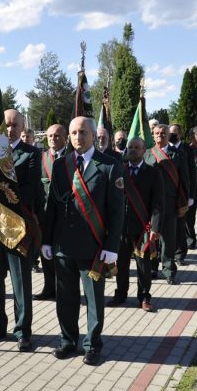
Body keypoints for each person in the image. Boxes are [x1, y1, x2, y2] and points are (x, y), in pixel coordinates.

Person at [42, 116, 124, 366]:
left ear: (93, 135)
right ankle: (68, 341)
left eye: (83, 132)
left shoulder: (109, 165)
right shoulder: (61, 165)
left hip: (94, 247)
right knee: (65, 297)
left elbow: (117, 211)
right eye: (74, 133)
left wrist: (112, 247)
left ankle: (92, 345)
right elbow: (53, 206)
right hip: (63, 245)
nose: (78, 137)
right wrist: (47, 240)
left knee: (93, 299)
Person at [0, 109, 41, 352]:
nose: (10, 129)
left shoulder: (32, 154)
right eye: (6, 124)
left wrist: (5, 200)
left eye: (15, 124)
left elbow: (31, 189)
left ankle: (23, 331)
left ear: (21, 127)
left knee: (21, 282)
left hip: (18, 227)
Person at [106, 137, 163, 311]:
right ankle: (121, 294)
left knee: (143, 265)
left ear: (144, 150)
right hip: (121, 227)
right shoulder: (118, 171)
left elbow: (158, 203)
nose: (132, 150)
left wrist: (154, 228)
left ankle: (144, 297)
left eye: (136, 147)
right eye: (130, 147)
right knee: (121, 264)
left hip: (143, 227)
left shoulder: (153, 172)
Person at [145, 124, 190, 285]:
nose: (160, 135)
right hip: (151, 206)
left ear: (168, 135)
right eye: (157, 133)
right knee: (152, 238)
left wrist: (184, 202)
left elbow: (184, 181)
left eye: (163, 133)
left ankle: (169, 271)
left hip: (170, 203)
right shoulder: (148, 154)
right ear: (153, 134)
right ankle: (152, 268)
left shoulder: (178, 154)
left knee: (169, 240)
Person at [34, 123, 67, 301]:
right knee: (46, 253)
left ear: (65, 138)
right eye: (50, 136)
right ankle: (49, 287)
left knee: (64, 255)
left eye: (57, 136)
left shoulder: (71, 158)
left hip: (66, 216)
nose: (53, 139)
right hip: (45, 215)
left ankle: (65, 288)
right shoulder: (41, 158)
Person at [169, 124, 196, 266]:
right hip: (167, 196)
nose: (172, 135)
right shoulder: (164, 149)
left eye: (174, 133)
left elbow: (191, 174)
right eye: (170, 132)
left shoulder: (187, 150)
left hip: (181, 195)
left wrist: (190, 196)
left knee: (181, 226)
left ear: (179, 134)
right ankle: (168, 254)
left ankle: (180, 255)